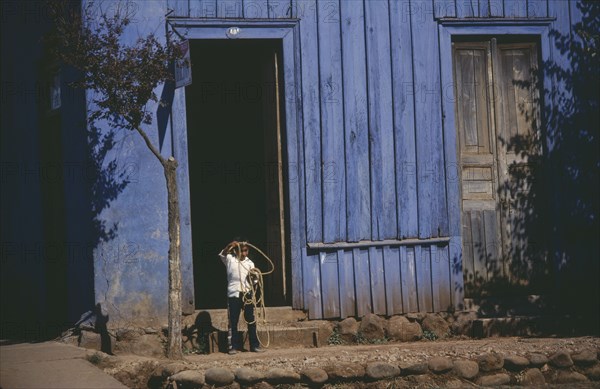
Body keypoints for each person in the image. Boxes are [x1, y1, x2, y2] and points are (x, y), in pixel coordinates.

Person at [219, 239, 265, 354]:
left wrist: (254, 276)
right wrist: (230, 244)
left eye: (246, 251)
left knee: (251, 320)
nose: (244, 253)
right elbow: (223, 254)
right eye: (242, 251)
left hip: (247, 293)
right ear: (236, 251)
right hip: (234, 293)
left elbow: (254, 280)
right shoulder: (229, 259)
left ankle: (254, 345)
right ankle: (233, 346)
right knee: (233, 321)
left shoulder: (250, 263)